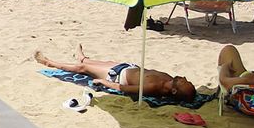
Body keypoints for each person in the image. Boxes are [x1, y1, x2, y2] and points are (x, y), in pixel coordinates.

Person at [34, 46, 198, 102]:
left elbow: (123, 89)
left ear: (175, 91)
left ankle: (49, 62)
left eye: (186, 82)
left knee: (82, 69)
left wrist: (103, 82)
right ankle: (82, 57)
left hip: (116, 75)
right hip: (127, 67)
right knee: (89, 63)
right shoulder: (170, 80)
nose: (184, 78)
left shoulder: (154, 87)